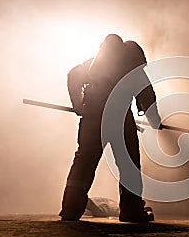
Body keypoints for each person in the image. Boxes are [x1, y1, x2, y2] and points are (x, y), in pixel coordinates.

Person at [59, 34, 161, 222]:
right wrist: (155, 121)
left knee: (84, 161)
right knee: (128, 165)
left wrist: (78, 104)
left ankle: (70, 209)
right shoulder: (133, 67)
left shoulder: (93, 64)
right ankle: (131, 211)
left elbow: (72, 75)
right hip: (120, 120)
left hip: (92, 118)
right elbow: (146, 96)